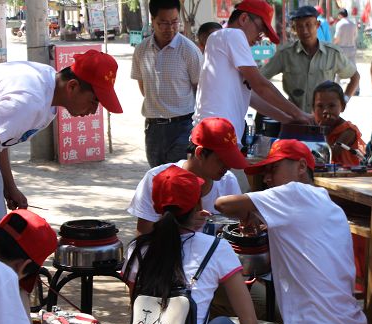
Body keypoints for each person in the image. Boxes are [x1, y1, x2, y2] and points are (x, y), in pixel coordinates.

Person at [215, 139, 369, 324]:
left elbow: (223, 204)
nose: (267, 178)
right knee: (254, 297)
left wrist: (249, 208)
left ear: (300, 167)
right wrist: (257, 216)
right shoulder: (324, 203)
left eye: (274, 169)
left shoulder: (295, 192)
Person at [121, 165, 257, 324]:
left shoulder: (137, 249)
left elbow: (137, 310)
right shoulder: (216, 248)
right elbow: (249, 321)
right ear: (197, 205)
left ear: (156, 206)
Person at [0, 50, 122, 242]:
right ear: (72, 86)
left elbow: (0, 134)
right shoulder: (27, 101)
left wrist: (10, 186)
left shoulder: (49, 87)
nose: (93, 111)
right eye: (93, 102)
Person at [194, 0, 311, 148]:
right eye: (260, 31)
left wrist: (287, 119)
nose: (259, 39)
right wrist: (298, 114)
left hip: (217, 132)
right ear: (244, 19)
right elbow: (261, 86)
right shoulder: (233, 35)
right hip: (216, 133)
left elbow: (252, 98)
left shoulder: (226, 40)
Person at [128, 117, 247, 236]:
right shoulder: (157, 179)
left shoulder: (228, 181)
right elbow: (143, 236)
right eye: (221, 160)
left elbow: (235, 229)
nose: (228, 167)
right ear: (200, 153)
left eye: (230, 159)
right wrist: (182, 226)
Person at [131, 0, 203, 167]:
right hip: (153, 128)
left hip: (183, 127)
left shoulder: (189, 50)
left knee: (178, 176)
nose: (170, 28)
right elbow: (143, 87)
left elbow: (200, 89)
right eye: (163, 23)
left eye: (174, 22)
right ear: (152, 20)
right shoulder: (141, 50)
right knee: (157, 176)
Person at [260, 5, 360, 113]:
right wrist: (277, 103)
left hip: (324, 118)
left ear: (317, 25)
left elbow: (355, 77)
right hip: (294, 118)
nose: (304, 31)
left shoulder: (332, 54)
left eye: (308, 25)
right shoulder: (285, 54)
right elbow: (259, 79)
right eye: (299, 26)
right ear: (294, 29)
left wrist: (344, 100)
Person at [313, 81, 365, 166]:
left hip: (346, 173)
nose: (325, 111)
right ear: (313, 108)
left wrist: (323, 130)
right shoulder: (312, 126)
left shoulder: (348, 131)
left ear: (342, 107)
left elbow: (330, 155)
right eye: (320, 106)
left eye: (331, 106)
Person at [333, 8, 359, 94]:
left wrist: (333, 44)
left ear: (340, 15)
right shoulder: (353, 24)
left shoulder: (340, 24)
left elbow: (337, 38)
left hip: (342, 48)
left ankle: (335, 88)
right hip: (351, 48)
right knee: (354, 69)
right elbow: (355, 36)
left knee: (338, 69)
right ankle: (356, 89)